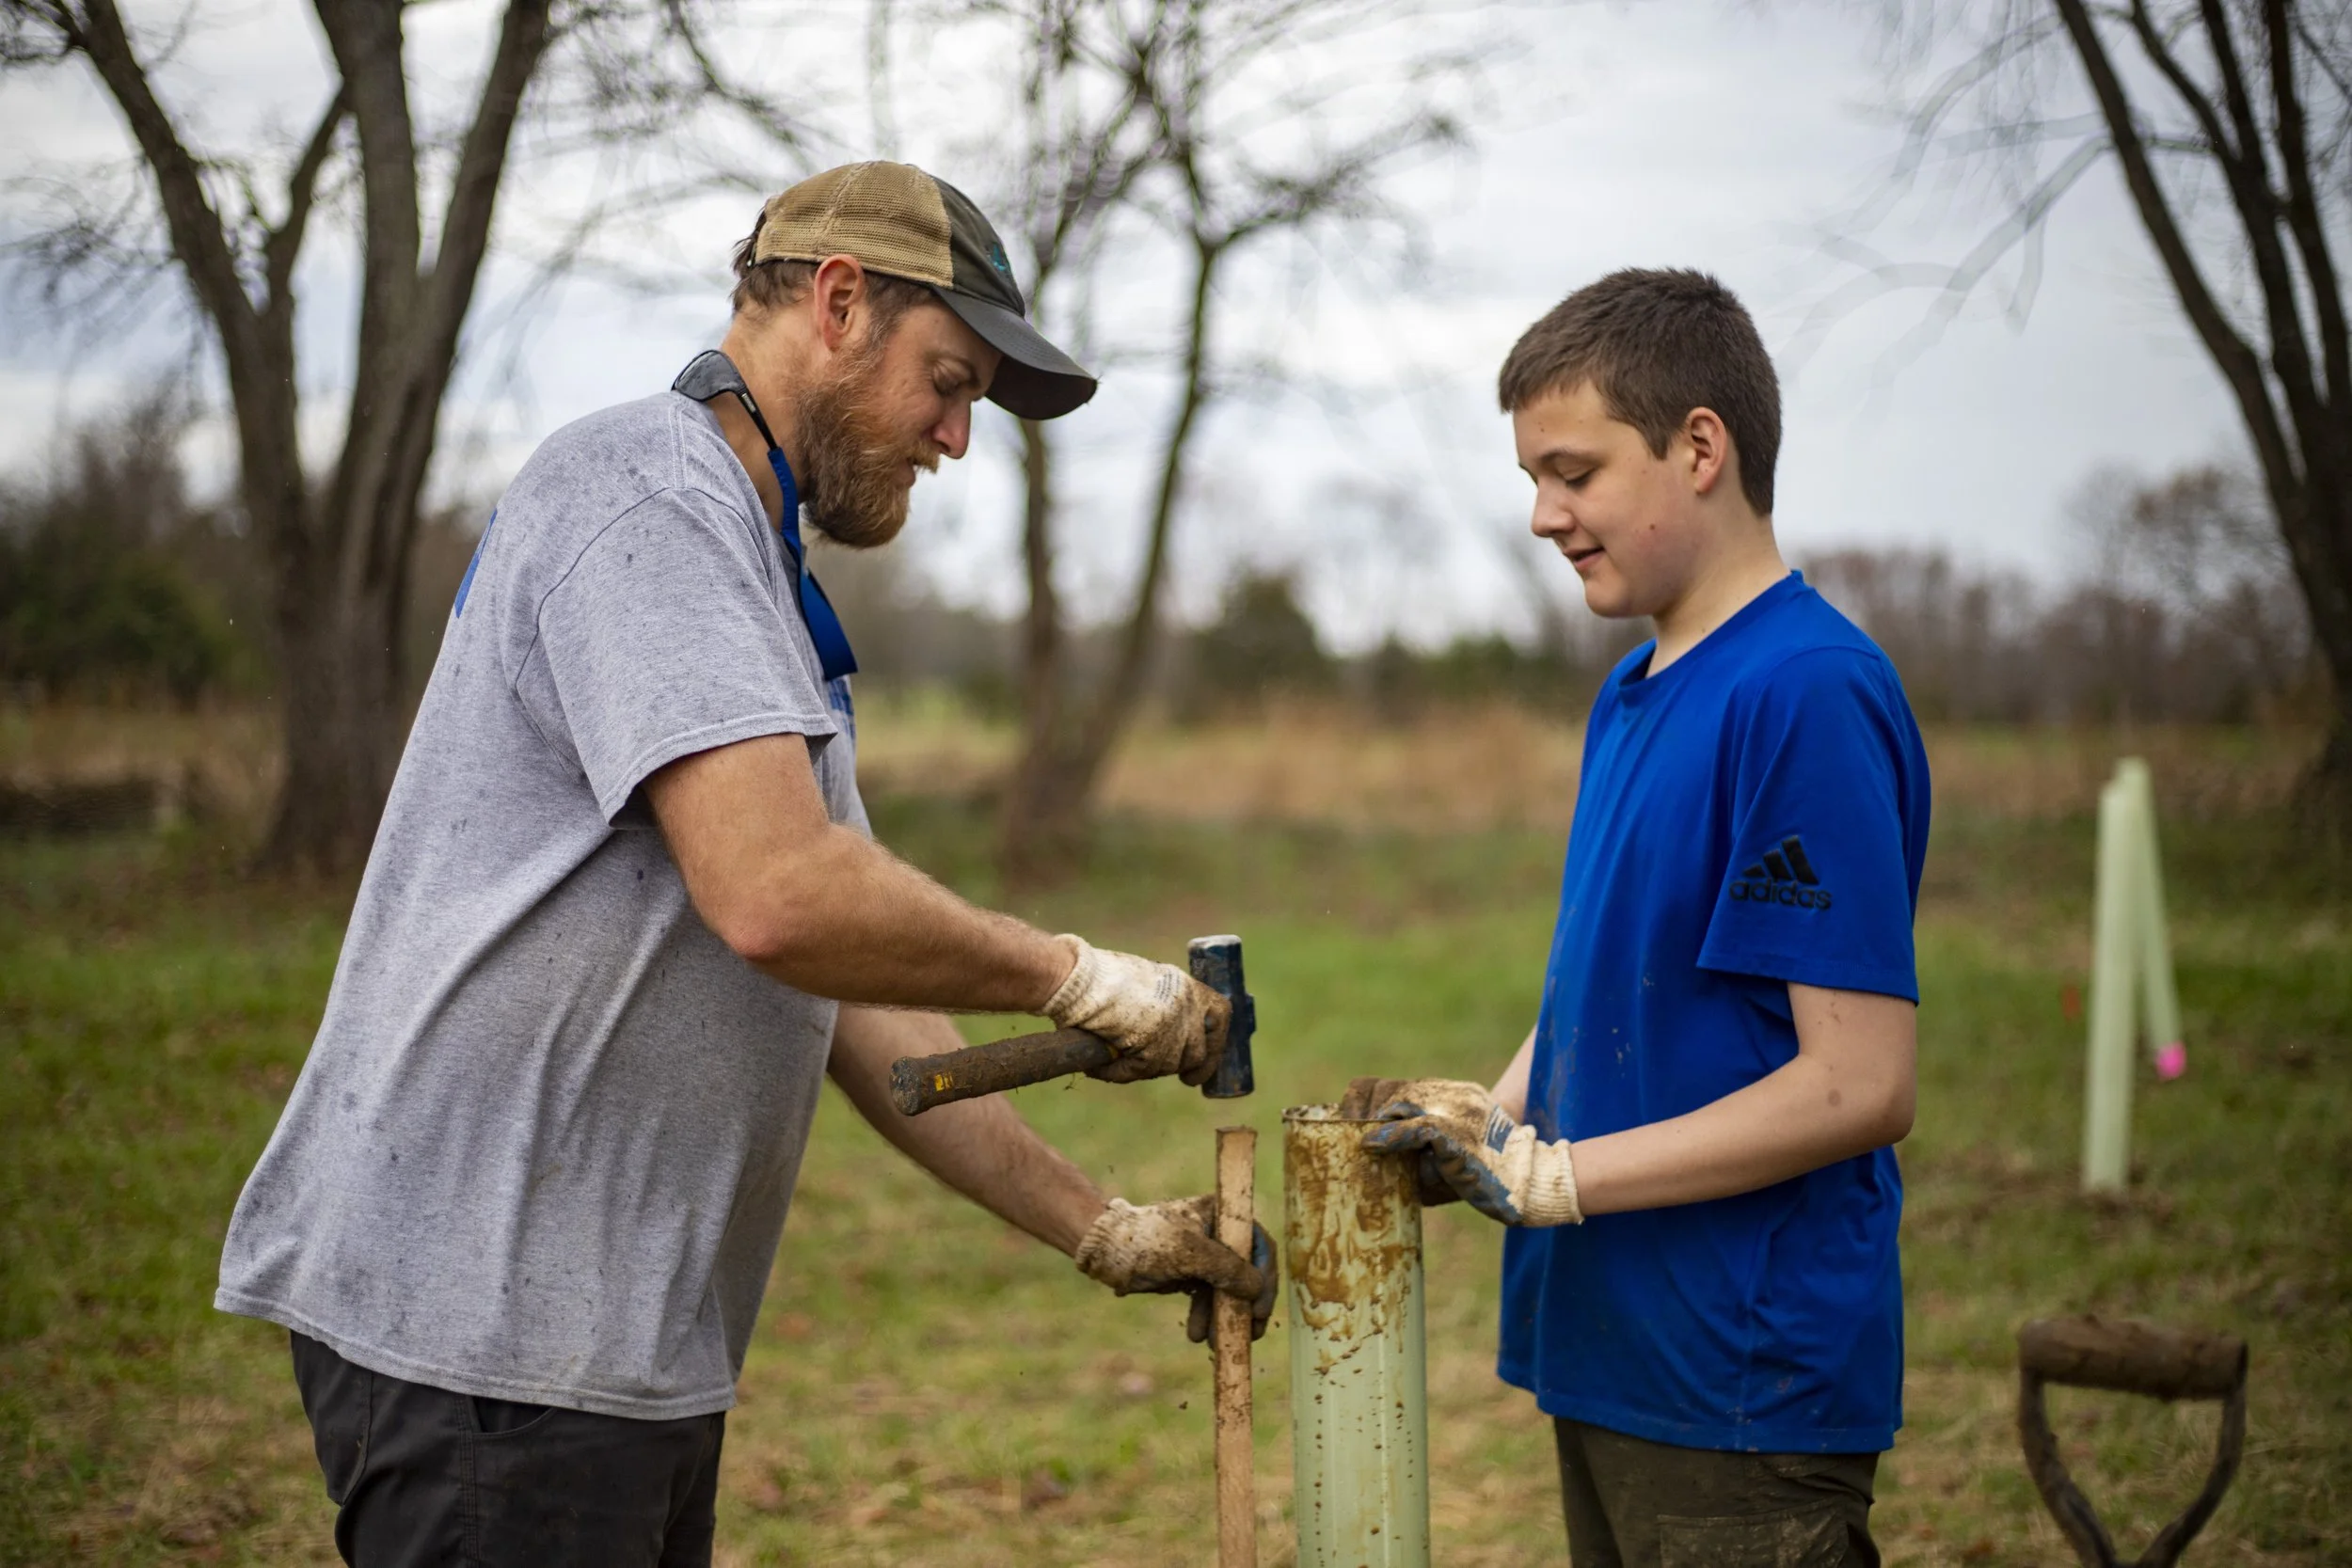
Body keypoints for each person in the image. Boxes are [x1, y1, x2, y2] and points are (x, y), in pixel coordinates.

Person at [215, 161, 1275, 1568]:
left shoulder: (760, 590)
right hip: (490, 1345)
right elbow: (778, 895)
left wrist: (1107, 1229)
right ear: (838, 303)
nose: (958, 438)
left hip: (614, 1354)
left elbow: (861, 994)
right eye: (947, 381)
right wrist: (1079, 978)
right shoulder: (645, 490)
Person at [1343, 269, 1929, 1567]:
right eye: (1532, 480)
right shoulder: (1632, 691)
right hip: (1610, 1345)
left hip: (1738, 1374)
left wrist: (1558, 1177)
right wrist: (1487, 1118)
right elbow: (1608, 984)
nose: (1544, 515)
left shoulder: (1808, 692)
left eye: (1576, 472)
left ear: (1700, 447)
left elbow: (1861, 1081)